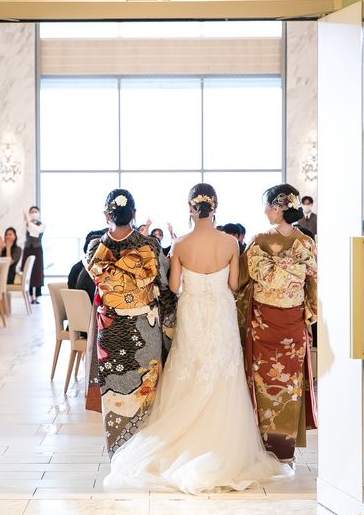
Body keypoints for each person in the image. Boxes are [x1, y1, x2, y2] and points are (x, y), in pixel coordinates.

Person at [103, 183, 290, 494]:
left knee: (189, 368)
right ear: (215, 207)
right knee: (223, 373)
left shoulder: (180, 244)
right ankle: (223, 444)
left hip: (192, 313)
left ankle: (182, 443)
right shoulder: (231, 243)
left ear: (190, 208)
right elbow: (234, 285)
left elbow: (174, 286)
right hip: (220, 314)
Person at [87, 190, 175, 456]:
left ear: (107, 215)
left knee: (114, 394)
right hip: (144, 329)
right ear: (134, 214)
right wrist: (170, 327)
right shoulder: (149, 246)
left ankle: (118, 454)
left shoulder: (95, 247)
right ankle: (143, 456)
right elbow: (165, 289)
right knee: (145, 391)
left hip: (110, 329)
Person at [242, 184, 318, 462]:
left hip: (264, 321)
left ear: (276, 208)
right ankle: (284, 449)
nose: (264, 210)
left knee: (264, 383)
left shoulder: (259, 241)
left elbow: (243, 279)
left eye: (267, 205)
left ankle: (265, 446)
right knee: (289, 384)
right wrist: (310, 314)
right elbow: (313, 284)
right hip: (293, 322)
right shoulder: (306, 243)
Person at [22, 206, 45, 304]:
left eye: (35, 211)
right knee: (29, 272)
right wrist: (27, 222)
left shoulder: (42, 225)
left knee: (38, 272)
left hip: (37, 250)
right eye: (32, 211)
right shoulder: (27, 224)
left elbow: (36, 231)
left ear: (38, 213)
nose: (34, 213)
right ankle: (31, 295)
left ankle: (38, 296)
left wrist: (28, 222)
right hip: (28, 249)